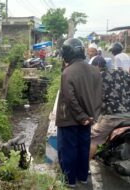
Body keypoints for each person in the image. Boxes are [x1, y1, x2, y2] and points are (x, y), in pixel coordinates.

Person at [56, 38, 102, 188]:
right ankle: (83, 177)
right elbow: (99, 96)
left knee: (68, 150)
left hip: (69, 119)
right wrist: (91, 116)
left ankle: (70, 181)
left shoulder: (67, 72)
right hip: (88, 119)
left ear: (67, 53)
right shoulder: (95, 71)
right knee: (83, 148)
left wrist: (81, 117)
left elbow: (70, 98)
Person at [89, 55, 130, 160]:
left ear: (97, 66)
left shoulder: (98, 78)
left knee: (92, 140)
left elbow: (93, 100)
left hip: (112, 116)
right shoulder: (124, 73)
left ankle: (84, 169)